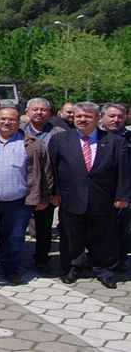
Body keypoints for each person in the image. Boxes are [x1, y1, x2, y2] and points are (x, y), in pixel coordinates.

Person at [50, 102, 130, 289]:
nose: (83, 120)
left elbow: (124, 172)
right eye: (79, 116)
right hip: (71, 197)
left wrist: (123, 196)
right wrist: (54, 193)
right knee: (71, 236)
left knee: (104, 237)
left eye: (88, 116)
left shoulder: (115, 142)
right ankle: (72, 268)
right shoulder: (60, 140)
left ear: (98, 118)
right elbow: (52, 169)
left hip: (104, 198)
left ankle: (105, 270)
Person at [0, 108, 53, 284]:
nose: (6, 122)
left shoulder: (32, 144)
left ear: (19, 122)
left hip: (18, 202)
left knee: (15, 237)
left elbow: (46, 173)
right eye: (3, 119)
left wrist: (44, 197)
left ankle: (11, 269)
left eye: (11, 119)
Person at [22, 98, 65, 273]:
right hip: (22, 188)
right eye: (35, 109)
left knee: (44, 228)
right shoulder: (17, 131)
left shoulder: (60, 133)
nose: (39, 112)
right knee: (16, 228)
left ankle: (42, 259)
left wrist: (55, 192)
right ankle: (13, 259)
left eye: (43, 109)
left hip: (47, 187)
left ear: (50, 113)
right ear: (27, 113)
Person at [100, 103, 131, 271]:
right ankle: (96, 258)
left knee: (122, 230)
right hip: (99, 191)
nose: (116, 120)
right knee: (98, 229)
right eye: (112, 116)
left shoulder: (129, 138)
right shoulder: (93, 137)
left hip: (124, 193)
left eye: (120, 116)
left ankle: (119, 261)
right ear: (102, 117)